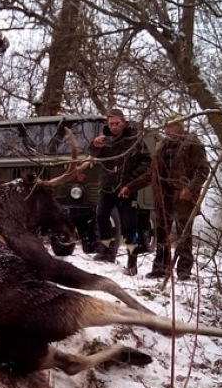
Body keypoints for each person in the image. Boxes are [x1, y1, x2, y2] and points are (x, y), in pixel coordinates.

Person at [122, 114, 209, 281]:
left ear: (180, 127)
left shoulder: (192, 144)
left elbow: (203, 170)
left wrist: (190, 189)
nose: (169, 130)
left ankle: (184, 270)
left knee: (183, 235)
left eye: (172, 126)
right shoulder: (161, 146)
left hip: (183, 198)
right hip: (163, 197)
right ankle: (161, 268)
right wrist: (130, 187)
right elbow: (150, 174)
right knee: (162, 234)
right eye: (167, 127)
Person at [86, 108, 151, 274]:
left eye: (117, 123)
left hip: (127, 189)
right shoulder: (105, 139)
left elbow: (146, 162)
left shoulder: (134, 139)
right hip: (108, 187)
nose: (114, 126)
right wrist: (94, 145)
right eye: (111, 124)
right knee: (101, 216)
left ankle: (132, 263)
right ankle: (105, 251)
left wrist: (130, 183)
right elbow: (93, 155)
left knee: (130, 226)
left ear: (124, 122)